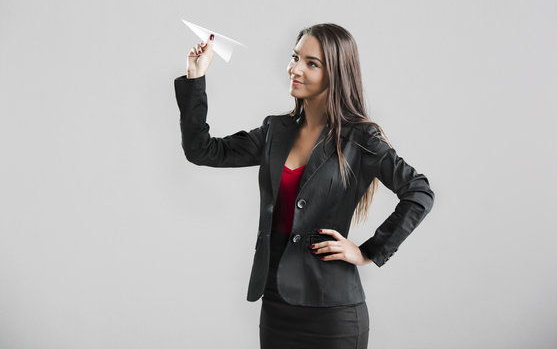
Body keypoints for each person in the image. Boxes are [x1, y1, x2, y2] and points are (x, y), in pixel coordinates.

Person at [174, 23, 435, 349]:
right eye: (295, 57)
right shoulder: (275, 130)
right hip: (276, 306)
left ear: (336, 74)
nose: (295, 69)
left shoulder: (360, 138)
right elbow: (202, 151)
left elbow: (419, 191)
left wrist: (368, 252)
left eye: (311, 63)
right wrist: (196, 78)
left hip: (333, 313)